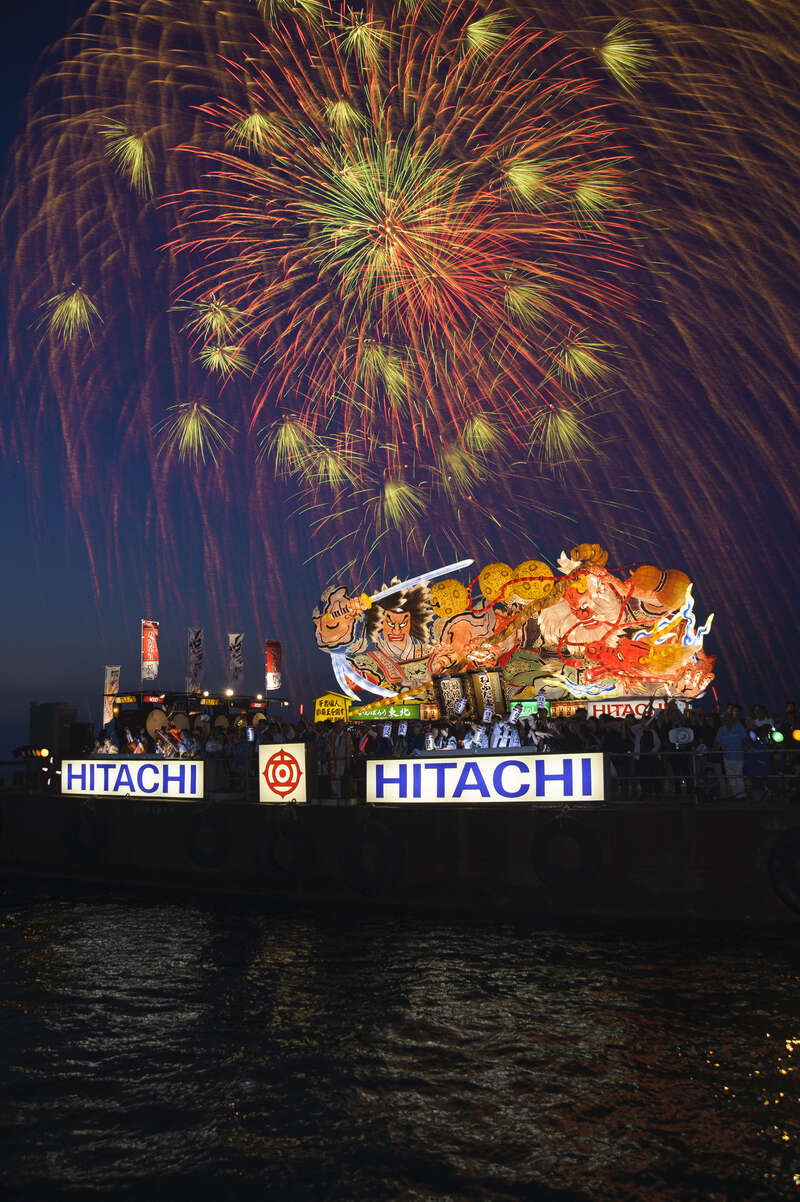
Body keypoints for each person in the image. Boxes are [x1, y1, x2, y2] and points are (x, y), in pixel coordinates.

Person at [714, 708, 747, 799]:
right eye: (726, 718)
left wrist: (746, 746)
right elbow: (717, 741)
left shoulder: (739, 727)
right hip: (727, 757)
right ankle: (735, 794)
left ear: (732, 719)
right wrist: (715, 747)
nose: (727, 720)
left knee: (738, 775)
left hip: (738, 756)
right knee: (731, 777)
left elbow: (745, 738)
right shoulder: (721, 729)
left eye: (729, 718)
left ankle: (741, 795)